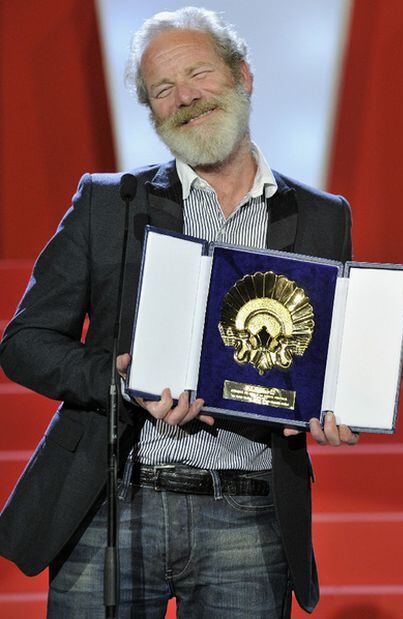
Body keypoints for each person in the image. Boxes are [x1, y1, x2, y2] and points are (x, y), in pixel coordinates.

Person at [0, 7, 359, 618]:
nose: (186, 97)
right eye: (164, 89)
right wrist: (118, 382)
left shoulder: (325, 216)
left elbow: (328, 357)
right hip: (112, 505)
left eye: (199, 73)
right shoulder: (111, 201)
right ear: (153, 111)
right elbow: (25, 341)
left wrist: (335, 406)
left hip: (250, 514)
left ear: (243, 75)